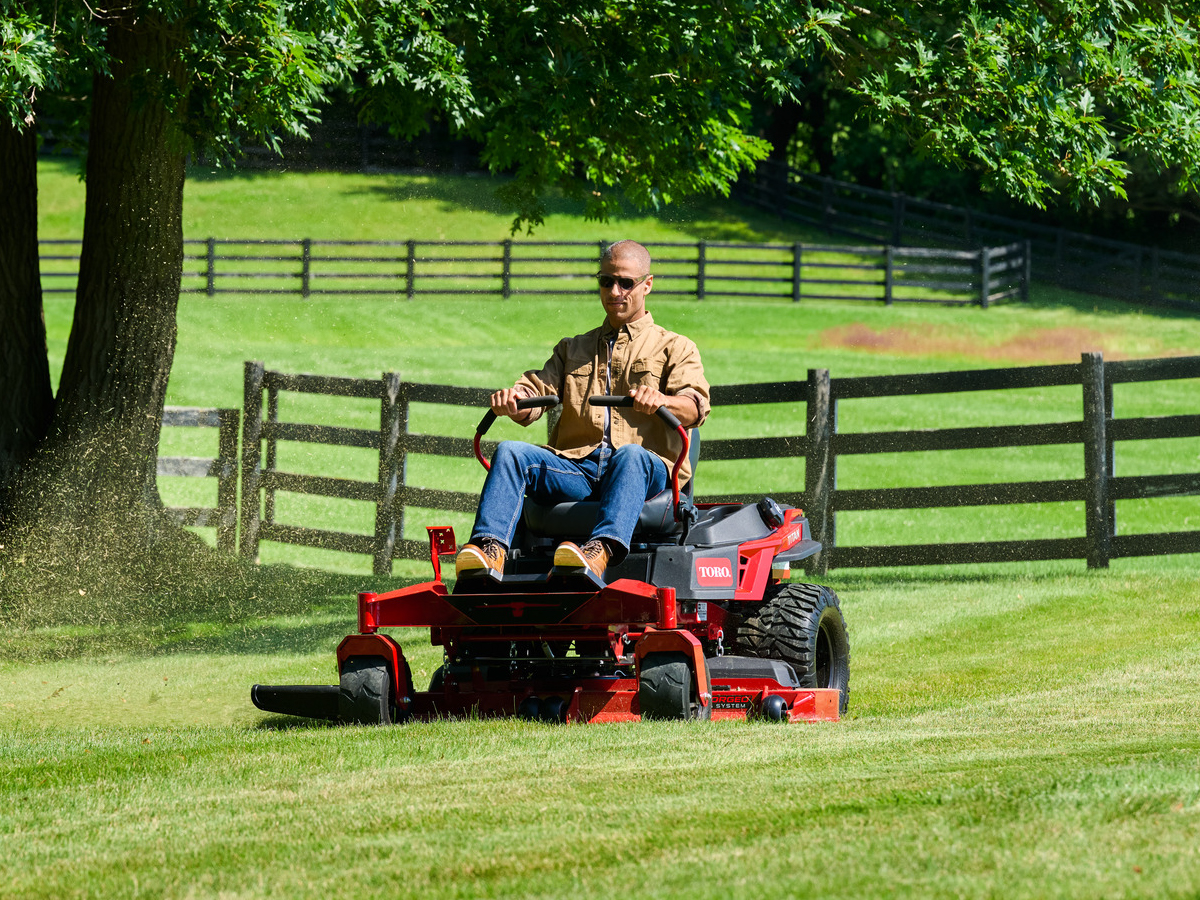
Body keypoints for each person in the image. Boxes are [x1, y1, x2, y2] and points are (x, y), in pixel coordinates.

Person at [455, 239, 710, 580]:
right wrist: (514, 400)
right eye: (606, 281)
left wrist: (662, 401)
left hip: (645, 471)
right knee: (511, 452)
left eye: (625, 282)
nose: (614, 291)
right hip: (578, 469)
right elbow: (535, 391)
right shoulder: (573, 348)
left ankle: (598, 553)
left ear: (647, 285)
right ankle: (489, 552)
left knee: (630, 455)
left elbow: (695, 405)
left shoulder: (675, 347)